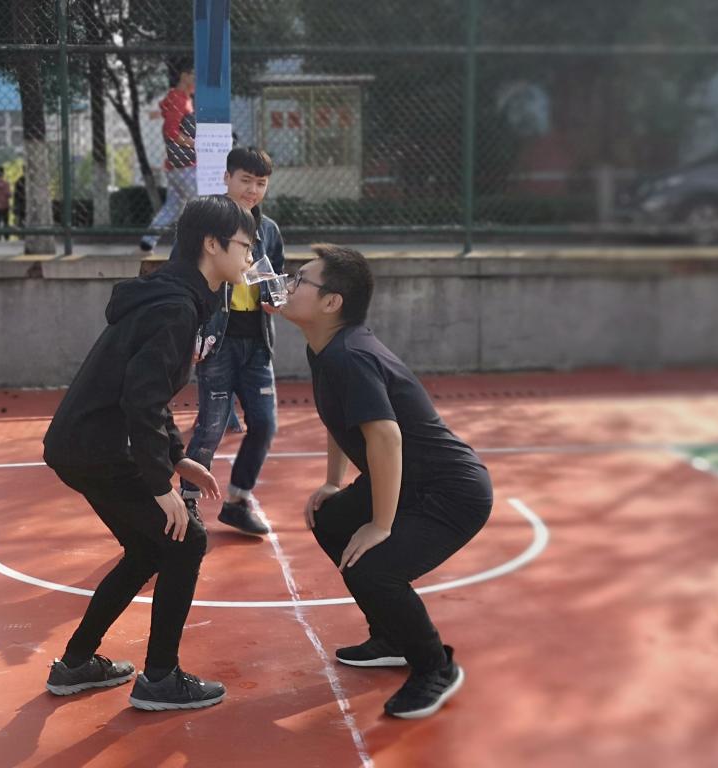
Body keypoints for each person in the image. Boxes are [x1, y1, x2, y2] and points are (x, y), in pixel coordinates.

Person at [43, 195, 256, 711]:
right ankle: (160, 677)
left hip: (80, 444)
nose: (251, 258)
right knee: (186, 540)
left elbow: (148, 391)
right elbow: (140, 399)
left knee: (148, 550)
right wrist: (161, 485)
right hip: (98, 447)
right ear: (212, 245)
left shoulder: (175, 298)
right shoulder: (175, 308)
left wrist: (176, 457)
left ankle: (76, 664)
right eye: (245, 247)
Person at [277, 244, 493, 719]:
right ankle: (391, 636)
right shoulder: (326, 348)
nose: (287, 285)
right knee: (331, 519)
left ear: (331, 302)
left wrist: (380, 525)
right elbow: (342, 419)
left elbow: (386, 437)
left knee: (373, 568)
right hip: (410, 482)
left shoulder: (349, 356)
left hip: (450, 492)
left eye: (300, 279)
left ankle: (435, 666)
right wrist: (332, 482)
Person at [177, 147, 284, 536]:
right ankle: (188, 502)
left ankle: (238, 500)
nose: (252, 190)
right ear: (227, 178)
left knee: (265, 424)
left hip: (257, 342)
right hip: (216, 341)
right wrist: (191, 330)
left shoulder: (268, 230)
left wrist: (276, 298)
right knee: (211, 427)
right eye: (245, 180)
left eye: (261, 183)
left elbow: (276, 278)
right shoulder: (205, 222)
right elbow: (181, 274)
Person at [138, 59, 196, 254]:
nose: (198, 81)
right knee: (201, 204)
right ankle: (190, 246)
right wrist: (197, 144)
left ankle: (148, 241)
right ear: (185, 76)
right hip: (185, 166)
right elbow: (171, 132)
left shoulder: (182, 99)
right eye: (195, 76)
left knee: (172, 207)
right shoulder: (178, 99)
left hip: (176, 166)